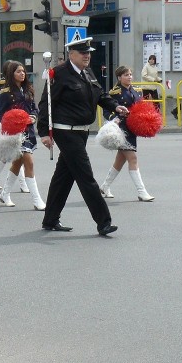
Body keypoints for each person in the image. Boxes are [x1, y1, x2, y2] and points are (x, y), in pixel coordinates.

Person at [37, 37, 128, 235]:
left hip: (82, 131)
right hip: (65, 131)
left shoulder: (87, 72)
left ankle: (50, 219)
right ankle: (103, 222)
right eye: (83, 53)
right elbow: (46, 103)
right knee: (86, 176)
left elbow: (100, 95)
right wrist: (44, 132)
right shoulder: (59, 74)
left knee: (64, 176)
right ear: (71, 55)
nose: (87, 56)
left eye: (89, 53)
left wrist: (115, 106)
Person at [98, 66, 155, 202]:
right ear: (119, 77)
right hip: (121, 130)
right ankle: (141, 192)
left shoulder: (136, 91)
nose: (129, 77)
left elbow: (139, 108)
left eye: (130, 74)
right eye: (125, 75)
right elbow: (106, 109)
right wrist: (114, 118)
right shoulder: (115, 92)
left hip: (131, 129)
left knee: (120, 160)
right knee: (132, 158)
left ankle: (105, 187)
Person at [0, 62, 45, 210]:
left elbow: (34, 108)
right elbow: (0, 113)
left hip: (28, 130)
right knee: (29, 162)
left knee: (17, 164)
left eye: (23, 71)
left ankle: (5, 194)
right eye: (18, 71)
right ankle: (37, 200)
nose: (22, 74)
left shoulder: (29, 89)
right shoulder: (5, 92)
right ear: (12, 74)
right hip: (15, 133)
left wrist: (33, 117)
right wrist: (6, 126)